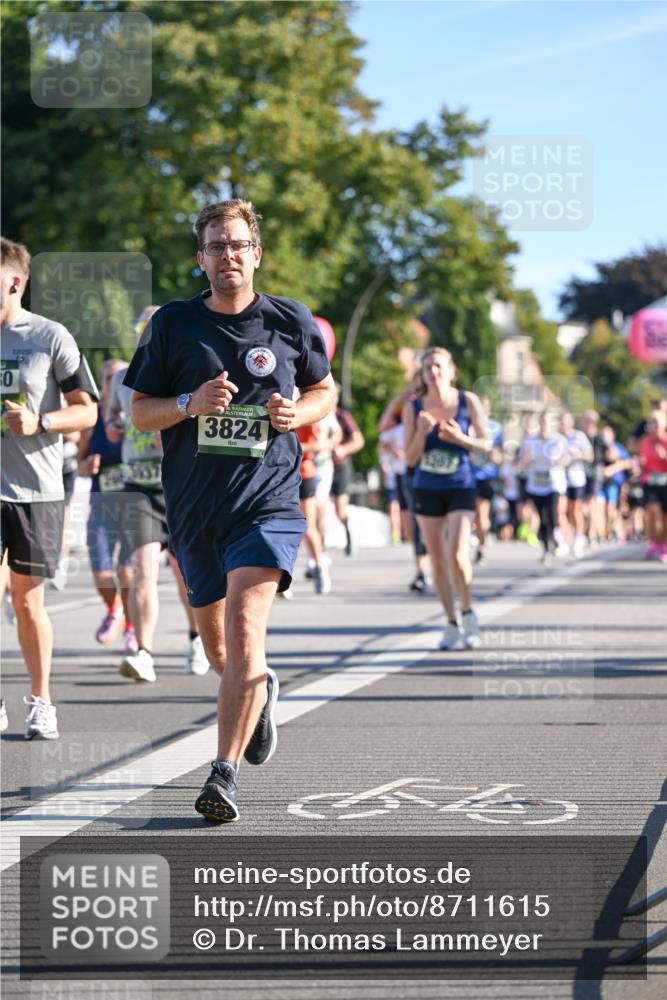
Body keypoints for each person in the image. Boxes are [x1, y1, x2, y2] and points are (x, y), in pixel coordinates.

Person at [122, 199, 336, 823]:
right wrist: (189, 402)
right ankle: (260, 688)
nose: (228, 255)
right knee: (224, 657)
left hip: (267, 502)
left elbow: (326, 388)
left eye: (238, 244)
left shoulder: (290, 320)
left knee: (245, 632)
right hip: (194, 509)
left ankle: (223, 774)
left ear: (256, 253)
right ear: (202, 257)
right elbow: (140, 411)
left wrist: (301, 413)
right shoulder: (172, 325)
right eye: (216, 245)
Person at [0, 236, 98, 738]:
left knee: (26, 603)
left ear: (14, 282)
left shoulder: (50, 336)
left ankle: (41, 700)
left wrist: (40, 422)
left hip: (35, 491)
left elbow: (88, 410)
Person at [106, 309, 210, 680]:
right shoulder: (120, 378)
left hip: (178, 484)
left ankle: (197, 638)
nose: (148, 335)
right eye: (143, 329)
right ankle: (144, 652)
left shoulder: (178, 370)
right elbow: (111, 417)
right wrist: (115, 426)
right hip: (138, 485)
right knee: (141, 569)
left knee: (186, 575)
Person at [403, 347, 490, 650]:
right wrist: (421, 432)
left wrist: (461, 440)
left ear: (452, 371)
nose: (433, 372)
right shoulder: (414, 408)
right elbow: (410, 459)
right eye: (427, 368)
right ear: (423, 375)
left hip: (460, 486)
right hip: (427, 487)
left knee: (457, 554)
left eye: (438, 366)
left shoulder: (468, 401)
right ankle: (451, 623)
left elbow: (488, 444)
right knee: (437, 562)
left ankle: (468, 613)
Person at [78, 358, 136, 650]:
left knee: (127, 571)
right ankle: (116, 609)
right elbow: (80, 463)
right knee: (101, 572)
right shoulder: (94, 419)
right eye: (107, 379)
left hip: (133, 504)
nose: (114, 384)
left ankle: (130, 627)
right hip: (101, 504)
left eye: (119, 378)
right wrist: (89, 464)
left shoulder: (139, 411)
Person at [518, 412, 568, 566]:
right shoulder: (530, 441)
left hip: (553, 483)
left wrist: (560, 461)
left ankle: (553, 541)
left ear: (552, 424)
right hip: (536, 484)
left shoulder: (558, 440)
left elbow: (567, 458)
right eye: (542, 421)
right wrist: (527, 459)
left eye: (547, 422)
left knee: (551, 515)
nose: (544, 425)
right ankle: (547, 548)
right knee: (541, 517)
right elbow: (521, 463)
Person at [330, 384, 365, 555]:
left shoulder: (342, 416)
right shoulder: (313, 414)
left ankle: (349, 532)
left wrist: (343, 449)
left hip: (339, 466)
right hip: (319, 467)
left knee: (339, 508)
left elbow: (358, 440)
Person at [472, 395, 503, 565]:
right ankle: (473, 540)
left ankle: (481, 548)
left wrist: (492, 454)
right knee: (470, 514)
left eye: (484, 408)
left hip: (487, 475)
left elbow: (499, 455)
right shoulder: (468, 425)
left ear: (489, 410)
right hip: (469, 475)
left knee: (482, 515)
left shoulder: (496, 428)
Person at [560, 411, 593, 557]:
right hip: (559, 478)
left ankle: (579, 538)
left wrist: (579, 455)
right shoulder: (556, 437)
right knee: (560, 510)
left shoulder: (579, 436)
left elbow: (590, 456)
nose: (563, 425)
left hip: (576, 478)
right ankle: (565, 540)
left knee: (574, 510)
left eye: (565, 422)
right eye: (561, 422)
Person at [639, 410, 667, 561]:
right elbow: (643, 459)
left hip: (665, 481)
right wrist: (640, 463)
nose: (653, 426)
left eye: (656, 422)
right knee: (652, 511)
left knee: (664, 517)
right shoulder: (646, 440)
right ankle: (654, 542)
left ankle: (664, 545)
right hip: (650, 481)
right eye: (652, 422)